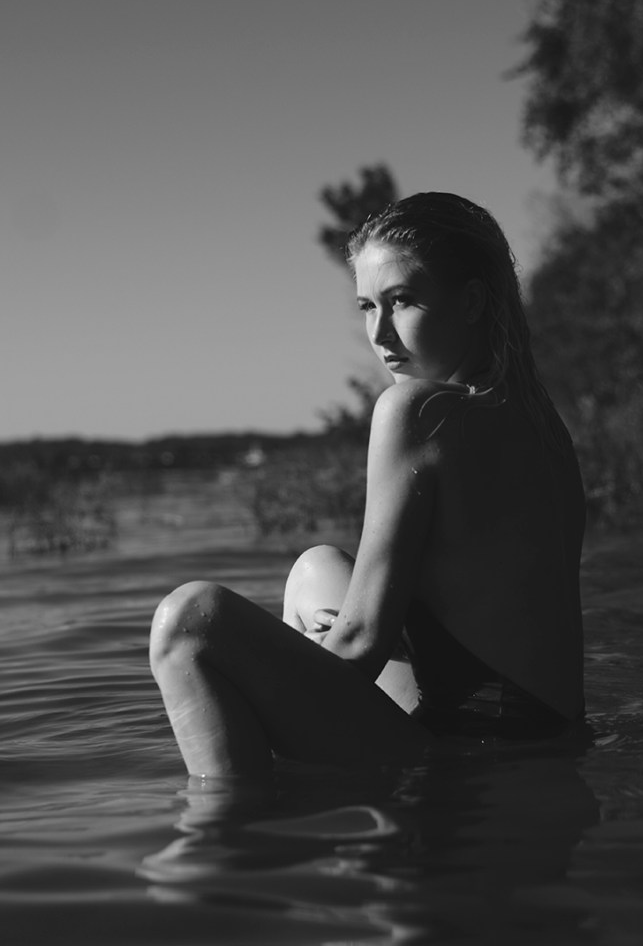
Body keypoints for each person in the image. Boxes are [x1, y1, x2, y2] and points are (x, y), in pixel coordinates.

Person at [149, 192, 586, 779]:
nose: (380, 333)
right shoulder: (541, 422)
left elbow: (360, 645)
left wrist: (268, 684)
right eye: (366, 306)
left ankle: (233, 819)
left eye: (401, 301)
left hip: (482, 755)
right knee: (315, 570)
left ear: (473, 302)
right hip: (548, 731)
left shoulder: (417, 410)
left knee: (188, 624)